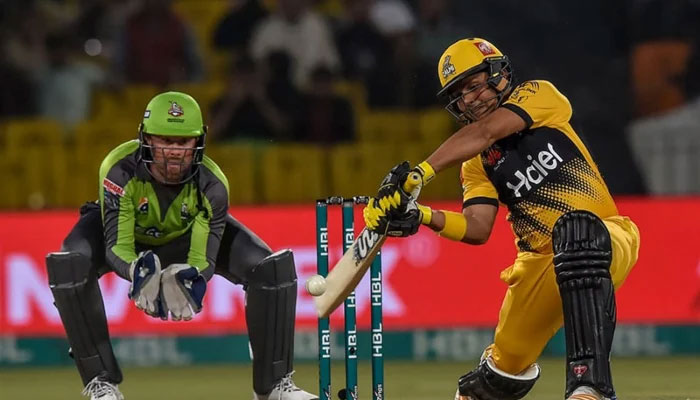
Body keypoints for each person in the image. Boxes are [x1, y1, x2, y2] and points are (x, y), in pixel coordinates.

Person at [363, 38, 640, 400]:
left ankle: (589, 387)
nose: (471, 98)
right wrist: (423, 215)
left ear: (498, 73)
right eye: (461, 94)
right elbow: (477, 227)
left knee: (577, 233)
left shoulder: (540, 96)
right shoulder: (477, 163)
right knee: (492, 383)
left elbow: (486, 131)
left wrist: (420, 174)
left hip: (606, 237)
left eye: (475, 85)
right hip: (538, 265)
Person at [45, 91, 318, 400]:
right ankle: (101, 384)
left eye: (182, 143)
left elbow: (204, 258)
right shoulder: (118, 170)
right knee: (69, 262)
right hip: (128, 238)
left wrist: (192, 274)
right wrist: (136, 270)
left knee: (271, 269)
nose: (172, 153)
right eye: (164, 141)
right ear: (145, 138)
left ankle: (274, 388)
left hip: (185, 237)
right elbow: (117, 246)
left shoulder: (213, 186)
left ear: (198, 142)